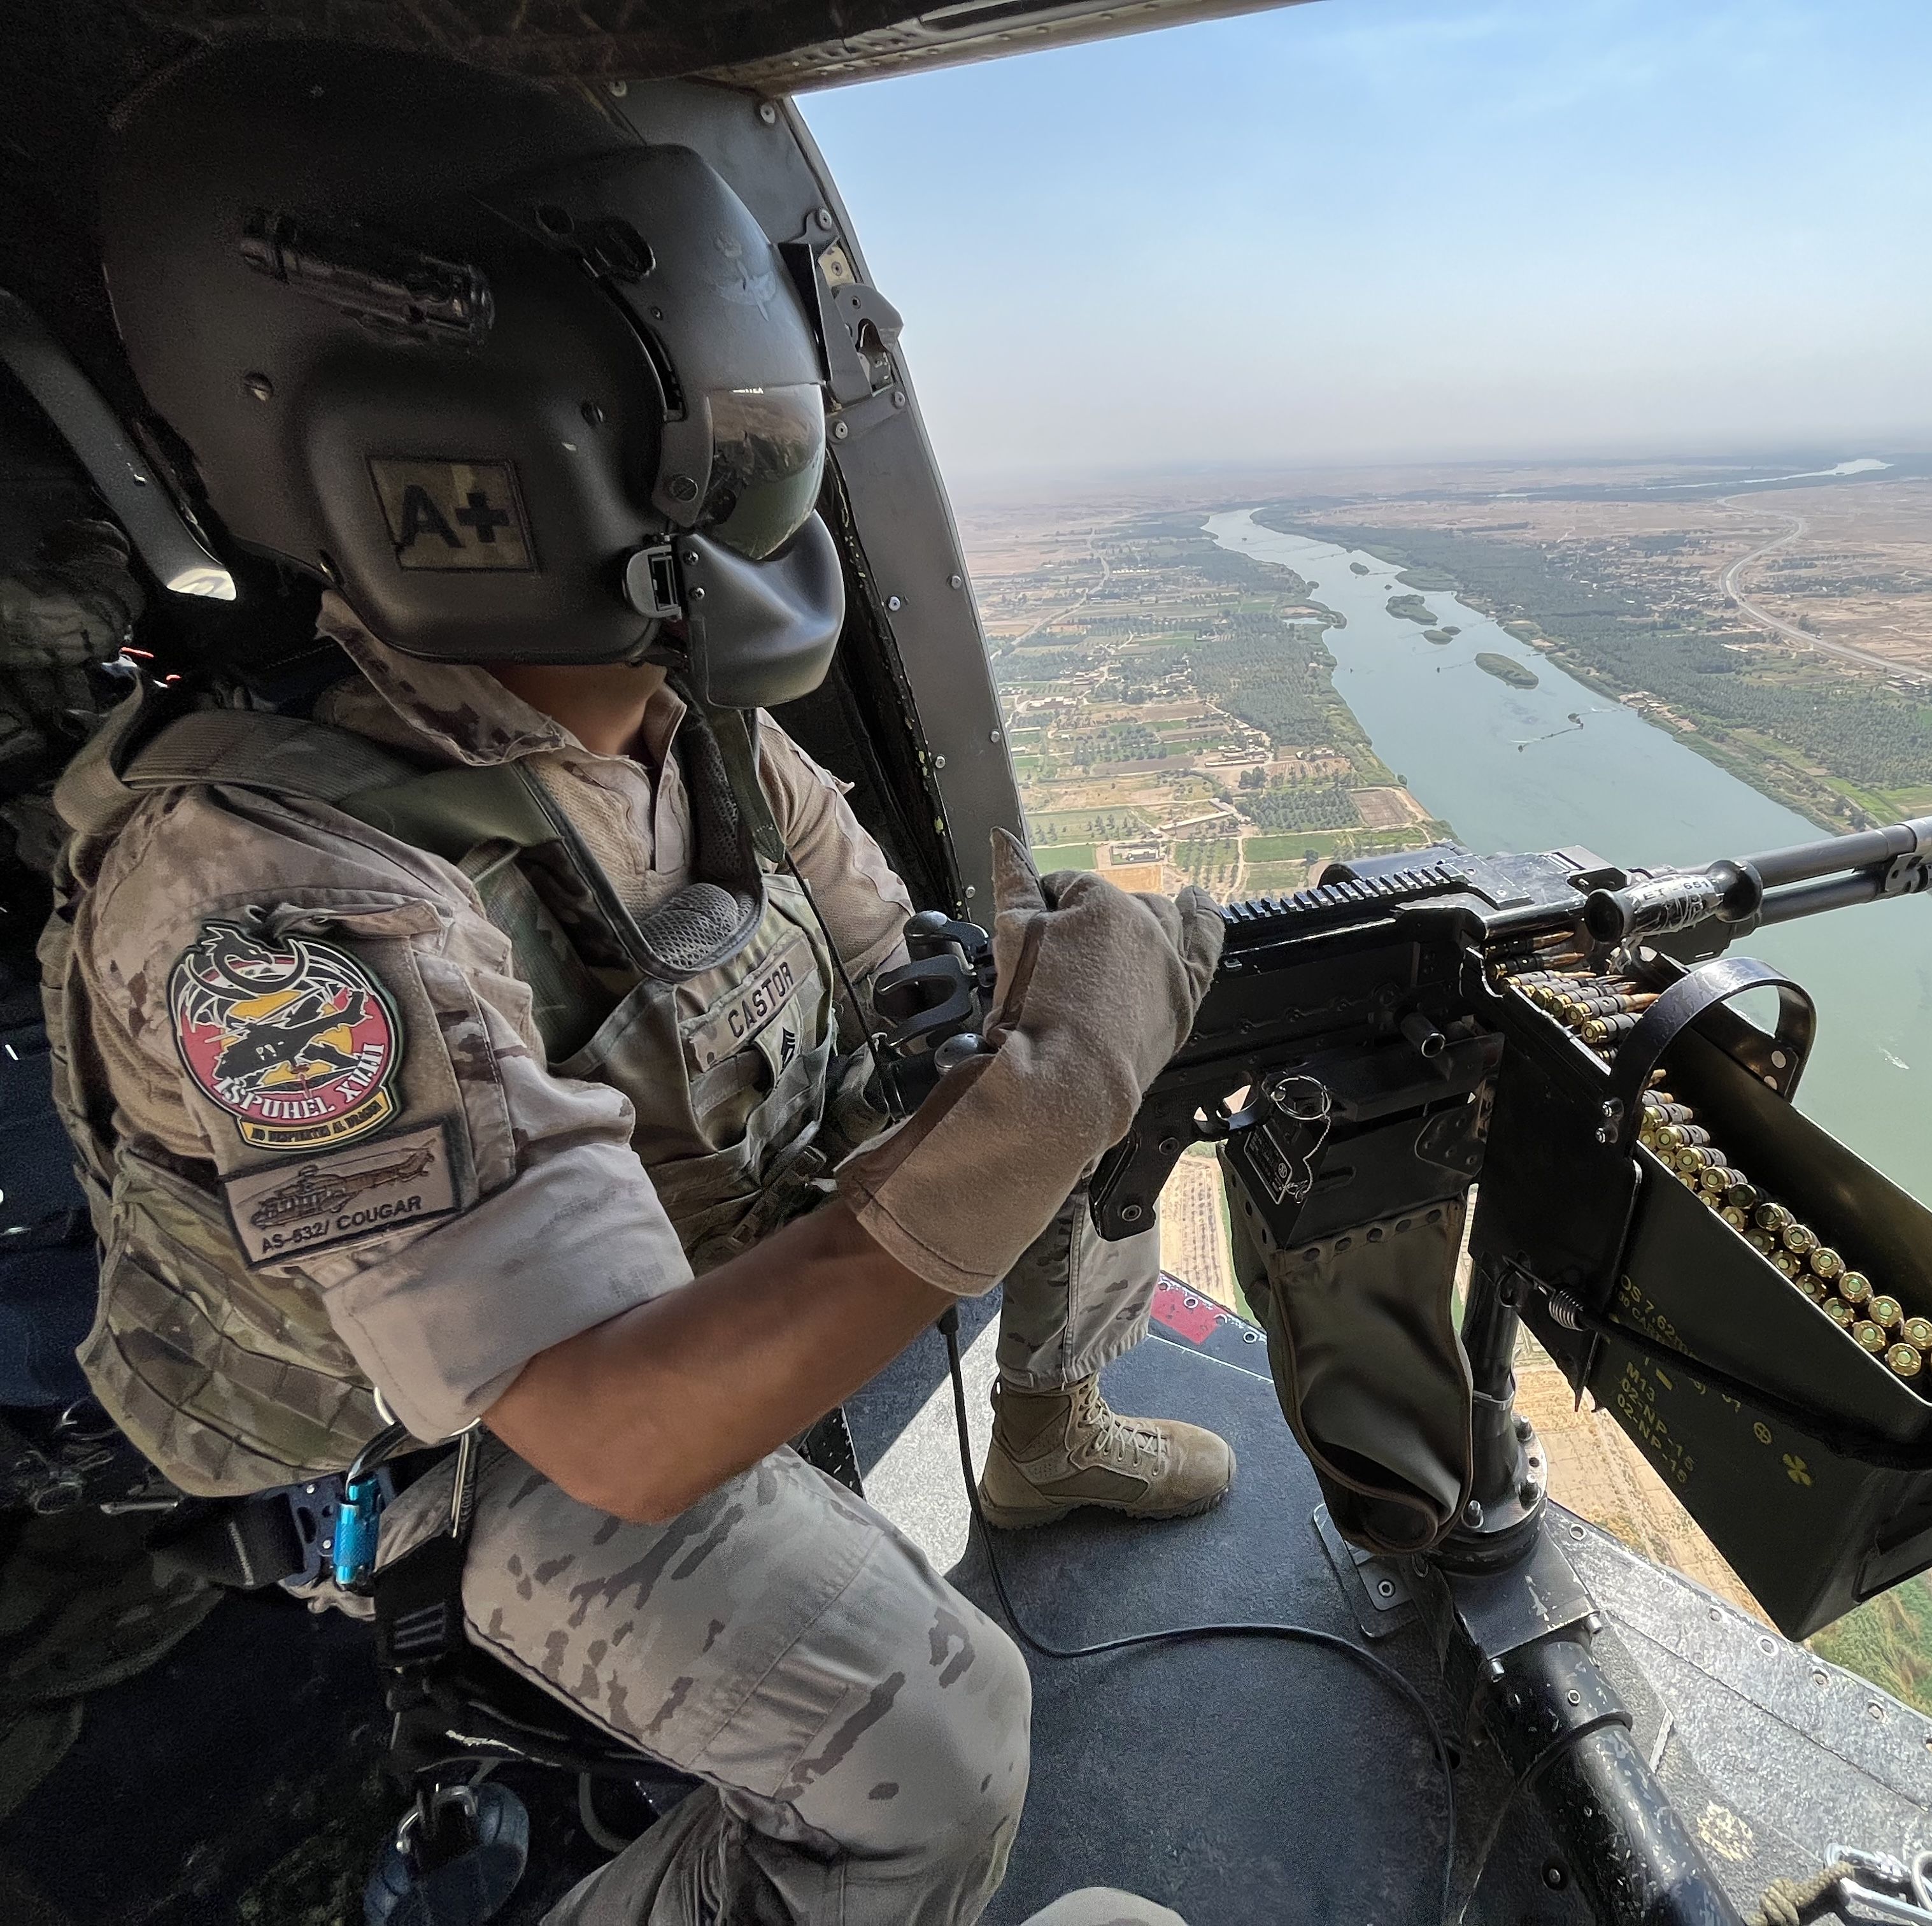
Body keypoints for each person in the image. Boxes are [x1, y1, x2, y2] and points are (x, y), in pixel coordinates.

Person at [41, 41, 1225, 1926]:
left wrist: (1034, 1054)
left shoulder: (684, 731)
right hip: (439, 1441)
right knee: (943, 1742)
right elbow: (613, 1427)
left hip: (680, 1263)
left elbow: (881, 974)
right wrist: (1048, 1094)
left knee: (1074, 1139)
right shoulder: (282, 901)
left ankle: (1049, 1443)